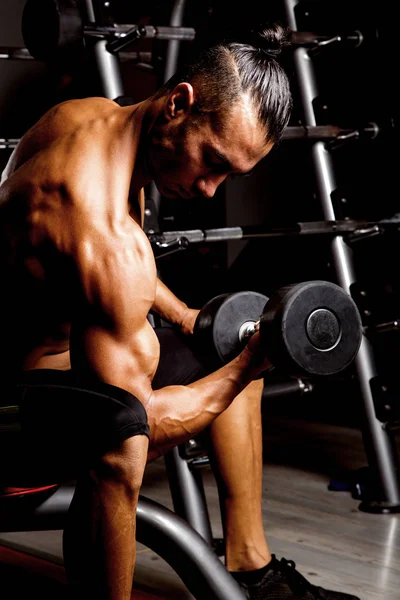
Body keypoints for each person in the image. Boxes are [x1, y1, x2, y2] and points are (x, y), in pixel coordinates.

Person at [0, 20, 360, 600]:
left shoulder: (87, 121)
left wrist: (188, 315)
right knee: (120, 454)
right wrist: (255, 362)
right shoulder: (102, 234)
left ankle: (251, 569)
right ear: (180, 103)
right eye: (212, 161)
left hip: (43, 356)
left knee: (219, 340)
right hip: (17, 418)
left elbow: (92, 274)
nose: (211, 189)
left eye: (231, 175)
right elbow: (131, 425)